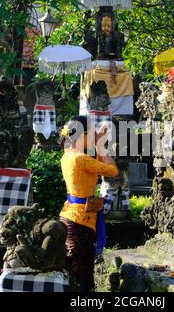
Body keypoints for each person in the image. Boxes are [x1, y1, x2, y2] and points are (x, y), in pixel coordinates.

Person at [59, 115, 118, 292]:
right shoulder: (80, 159)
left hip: (71, 214)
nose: (93, 138)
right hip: (81, 220)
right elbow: (112, 170)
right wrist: (101, 147)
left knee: (75, 267)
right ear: (82, 135)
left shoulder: (68, 155)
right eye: (91, 134)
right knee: (81, 271)